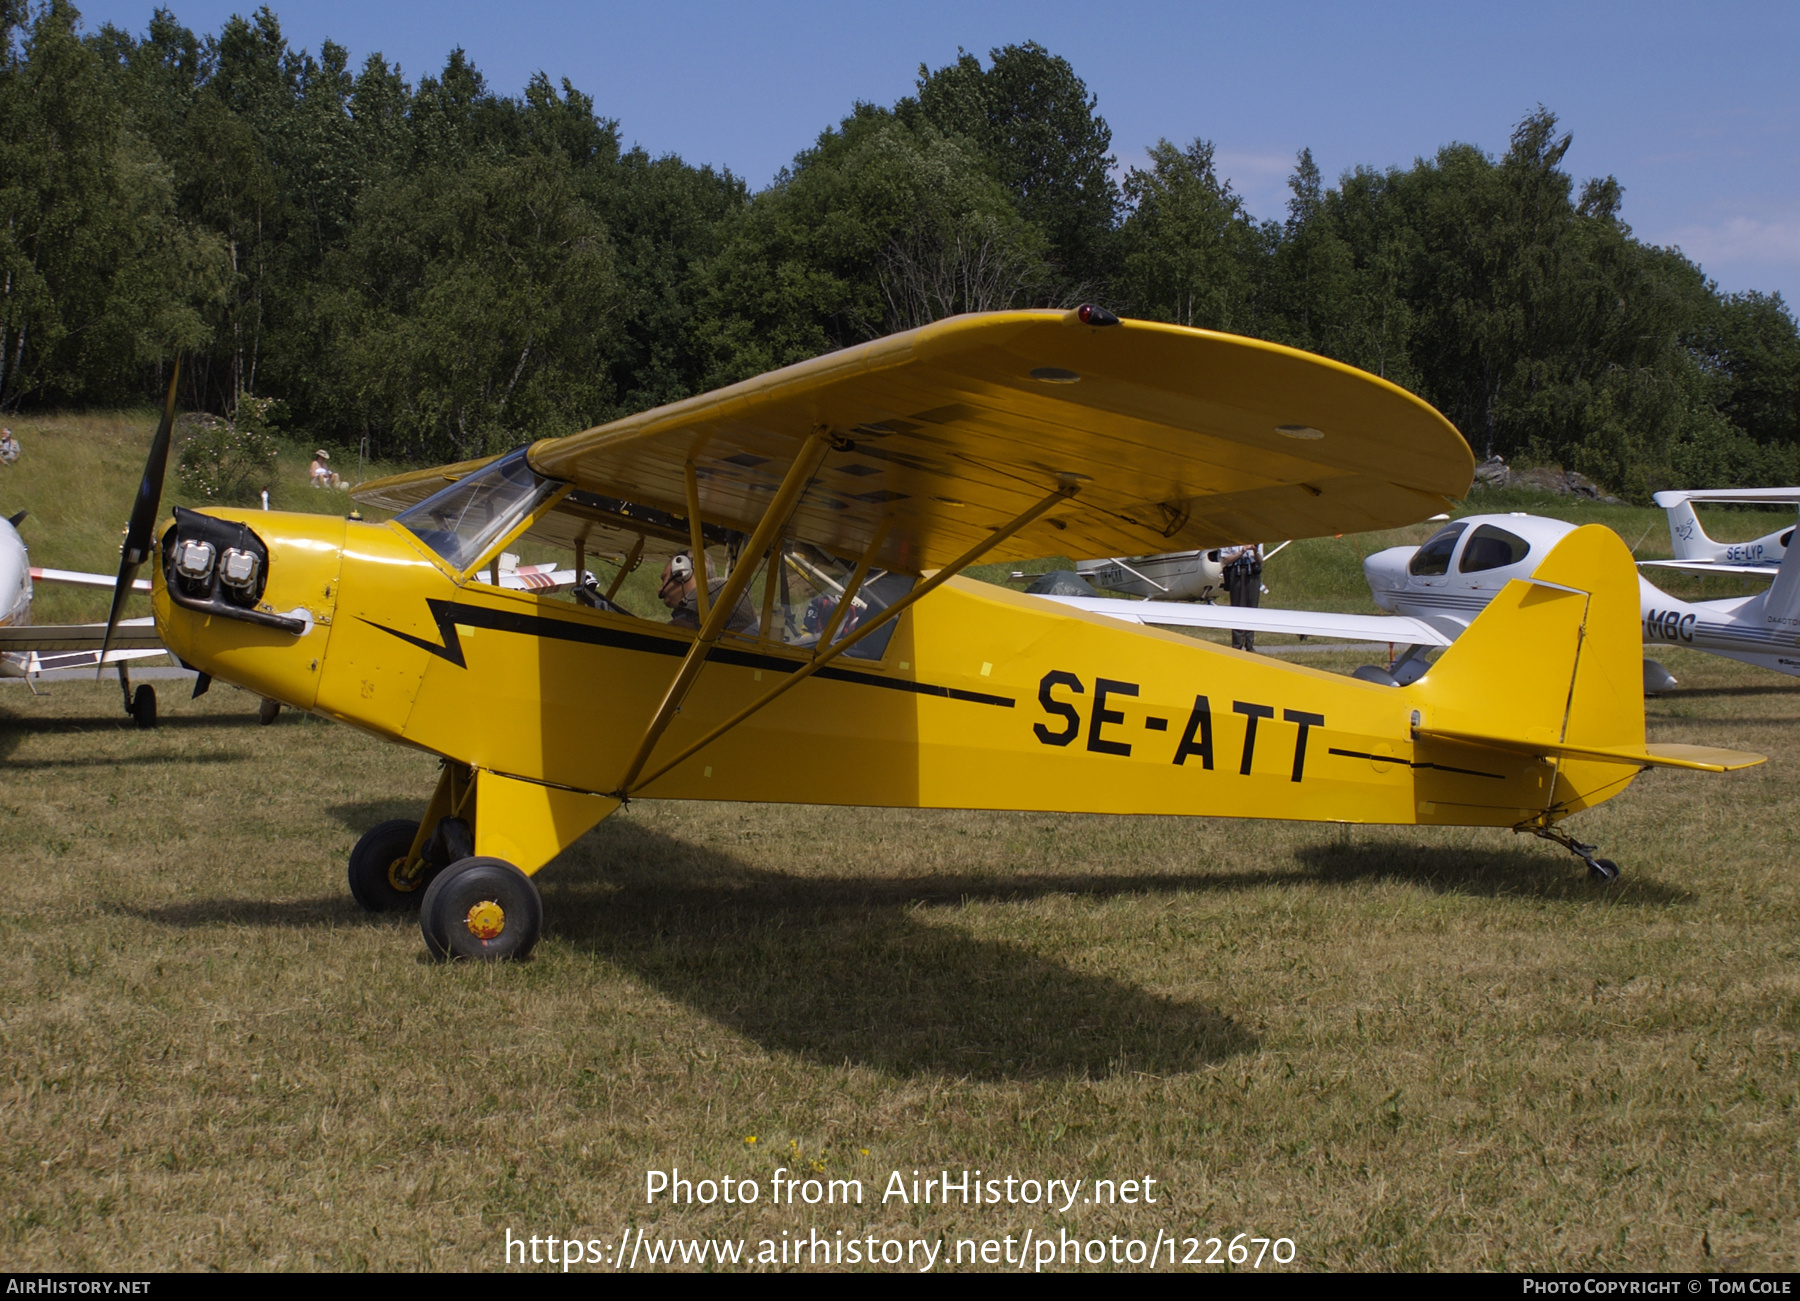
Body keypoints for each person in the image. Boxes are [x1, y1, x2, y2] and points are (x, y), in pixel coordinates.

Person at [658, 551, 757, 633]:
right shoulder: (685, 606)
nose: (659, 590)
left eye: (664, 578)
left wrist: (696, 633)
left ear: (681, 572)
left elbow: (747, 634)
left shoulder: (719, 588)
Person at [1220, 542, 1264, 651]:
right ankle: (1237, 644)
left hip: (1253, 573)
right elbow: (1225, 560)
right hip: (1237, 572)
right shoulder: (1229, 539)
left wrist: (1254, 551)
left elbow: (1260, 560)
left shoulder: (1257, 540)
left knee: (1252, 608)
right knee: (1238, 608)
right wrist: (1241, 552)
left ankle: (1249, 644)